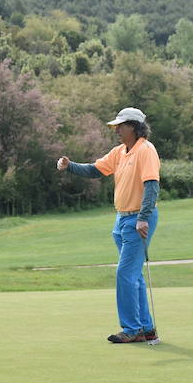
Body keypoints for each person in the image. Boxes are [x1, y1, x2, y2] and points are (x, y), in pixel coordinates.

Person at [56, 107, 161, 344]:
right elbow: (95, 169)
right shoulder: (120, 152)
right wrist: (70, 165)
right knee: (133, 276)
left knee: (125, 274)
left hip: (138, 219)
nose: (117, 130)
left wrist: (143, 217)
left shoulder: (146, 150)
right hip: (122, 219)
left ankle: (131, 329)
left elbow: (152, 185)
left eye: (121, 126)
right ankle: (144, 327)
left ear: (134, 126)